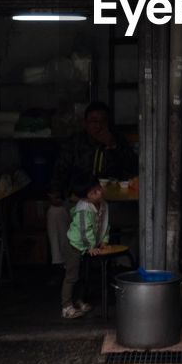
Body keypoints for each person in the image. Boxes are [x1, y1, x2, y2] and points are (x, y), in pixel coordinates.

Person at [49, 102, 138, 262]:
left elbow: (133, 169)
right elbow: (60, 169)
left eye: (102, 121)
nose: (98, 126)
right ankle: (65, 264)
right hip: (80, 206)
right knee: (55, 213)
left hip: (111, 207)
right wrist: (55, 191)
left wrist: (112, 145)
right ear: (85, 123)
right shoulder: (75, 143)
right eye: (93, 121)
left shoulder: (117, 141)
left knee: (142, 216)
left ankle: (124, 266)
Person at [61, 172, 110, 319]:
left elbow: (106, 224)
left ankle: (78, 300)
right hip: (75, 245)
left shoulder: (103, 204)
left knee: (83, 276)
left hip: (89, 245)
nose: (98, 192)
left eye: (98, 188)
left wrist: (104, 240)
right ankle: (66, 307)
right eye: (93, 192)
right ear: (84, 197)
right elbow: (84, 231)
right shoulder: (83, 209)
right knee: (71, 277)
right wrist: (90, 246)